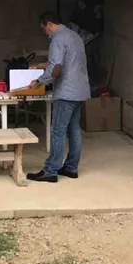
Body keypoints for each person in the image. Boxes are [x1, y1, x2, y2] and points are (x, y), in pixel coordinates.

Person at [26, 11, 91, 183]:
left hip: (66, 92)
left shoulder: (57, 39)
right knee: (74, 129)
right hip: (80, 90)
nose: (45, 33)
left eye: (43, 29)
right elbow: (67, 62)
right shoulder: (75, 36)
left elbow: (56, 68)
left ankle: (50, 170)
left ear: (49, 24)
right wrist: (39, 65)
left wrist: (39, 81)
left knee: (57, 131)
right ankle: (71, 167)